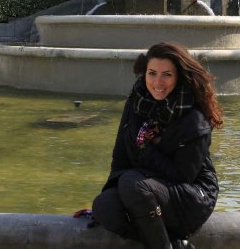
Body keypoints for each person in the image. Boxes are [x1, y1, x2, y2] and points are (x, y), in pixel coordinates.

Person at [92, 42, 223, 249]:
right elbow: (120, 156)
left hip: (191, 194)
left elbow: (184, 174)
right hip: (141, 187)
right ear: (144, 73)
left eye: (167, 75)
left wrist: (147, 150)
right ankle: (173, 243)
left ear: (179, 76)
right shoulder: (137, 101)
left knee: (133, 183)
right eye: (152, 73)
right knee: (104, 207)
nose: (158, 82)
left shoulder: (193, 117)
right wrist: (115, 192)